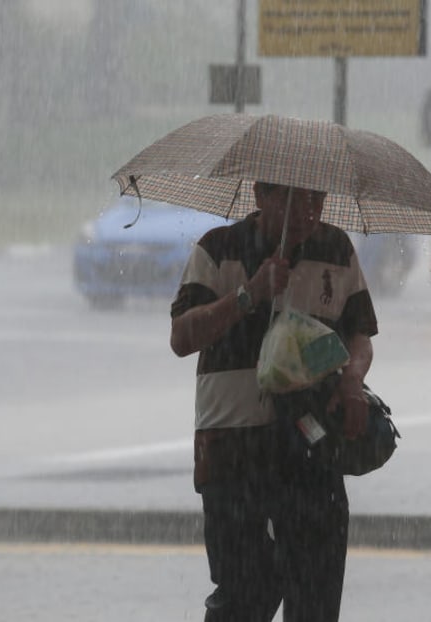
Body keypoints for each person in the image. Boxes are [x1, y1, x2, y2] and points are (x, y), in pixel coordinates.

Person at [170, 182, 378, 622]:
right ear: (262, 196)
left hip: (312, 445)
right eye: (294, 198)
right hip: (232, 448)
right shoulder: (217, 248)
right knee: (243, 595)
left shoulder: (336, 249)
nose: (308, 210)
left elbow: (361, 331)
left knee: (315, 595)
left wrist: (353, 381)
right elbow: (182, 338)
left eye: (317, 199)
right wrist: (250, 294)